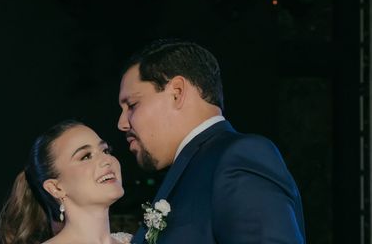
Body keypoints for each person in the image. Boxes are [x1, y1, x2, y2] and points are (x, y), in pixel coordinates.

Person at [118, 39, 306, 244]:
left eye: (132, 105)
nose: (122, 123)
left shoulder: (239, 158)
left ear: (177, 92)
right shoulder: (195, 168)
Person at [0, 120, 131, 244]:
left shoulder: (135, 240)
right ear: (56, 188)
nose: (107, 160)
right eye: (85, 156)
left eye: (106, 150)